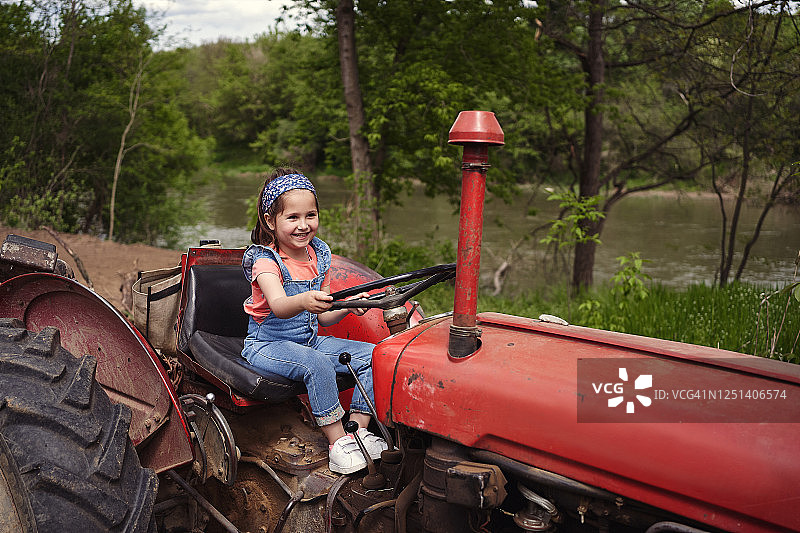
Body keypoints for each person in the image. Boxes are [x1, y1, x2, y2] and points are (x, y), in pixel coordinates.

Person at [241, 168, 387, 474]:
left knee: (374, 356)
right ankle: (338, 444)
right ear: (270, 221)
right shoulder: (265, 261)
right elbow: (280, 306)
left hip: (307, 340)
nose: (303, 225)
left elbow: (326, 317)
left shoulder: (318, 257)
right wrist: (304, 301)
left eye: (311, 215)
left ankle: (357, 431)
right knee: (316, 363)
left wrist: (348, 306)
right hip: (267, 343)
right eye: (292, 217)